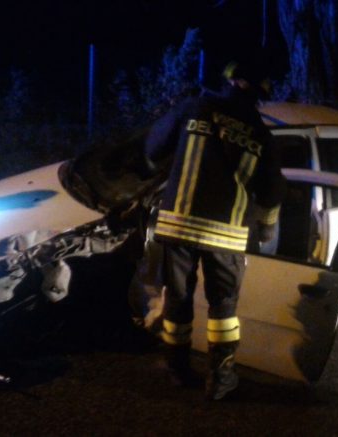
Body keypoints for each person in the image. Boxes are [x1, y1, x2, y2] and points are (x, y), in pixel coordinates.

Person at [143, 60, 285, 400]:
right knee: (223, 308)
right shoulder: (261, 134)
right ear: (261, 94)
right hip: (226, 234)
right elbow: (272, 192)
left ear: (229, 80)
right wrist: (266, 229)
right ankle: (221, 379)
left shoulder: (194, 108)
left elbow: (153, 149)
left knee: (178, 299)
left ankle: (177, 369)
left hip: (178, 225)